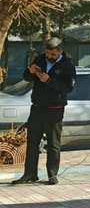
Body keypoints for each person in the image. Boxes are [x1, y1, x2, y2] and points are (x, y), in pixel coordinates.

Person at [12, 38, 76, 185]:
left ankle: (52, 174)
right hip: (37, 107)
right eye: (47, 53)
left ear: (60, 51)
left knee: (53, 144)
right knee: (32, 142)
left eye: (53, 54)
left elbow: (68, 88)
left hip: (54, 110)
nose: (49, 56)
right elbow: (26, 77)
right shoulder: (40, 60)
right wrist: (31, 72)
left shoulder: (67, 65)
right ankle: (30, 174)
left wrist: (49, 81)